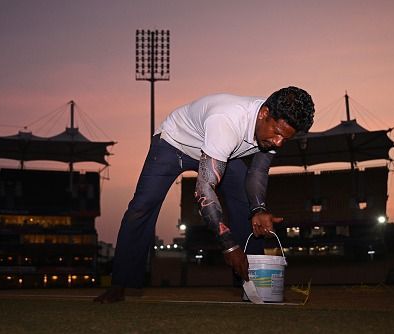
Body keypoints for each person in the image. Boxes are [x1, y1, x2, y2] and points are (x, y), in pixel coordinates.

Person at [94, 87, 315, 303]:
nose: (278, 142)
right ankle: (119, 284)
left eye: (285, 139)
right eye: (276, 134)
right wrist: (228, 244)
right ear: (264, 114)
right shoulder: (227, 121)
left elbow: (257, 172)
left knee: (246, 206)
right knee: (142, 207)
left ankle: (252, 286)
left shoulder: (276, 127)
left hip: (221, 152)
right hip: (174, 144)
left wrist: (259, 208)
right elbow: (204, 190)